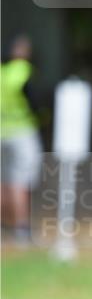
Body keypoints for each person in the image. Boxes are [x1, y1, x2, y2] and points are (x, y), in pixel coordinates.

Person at [1, 35, 44, 247]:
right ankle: (21, 229)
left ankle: (3, 226)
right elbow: (35, 103)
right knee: (20, 181)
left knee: (3, 181)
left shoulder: (3, 72)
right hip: (22, 132)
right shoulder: (24, 72)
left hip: (2, 133)